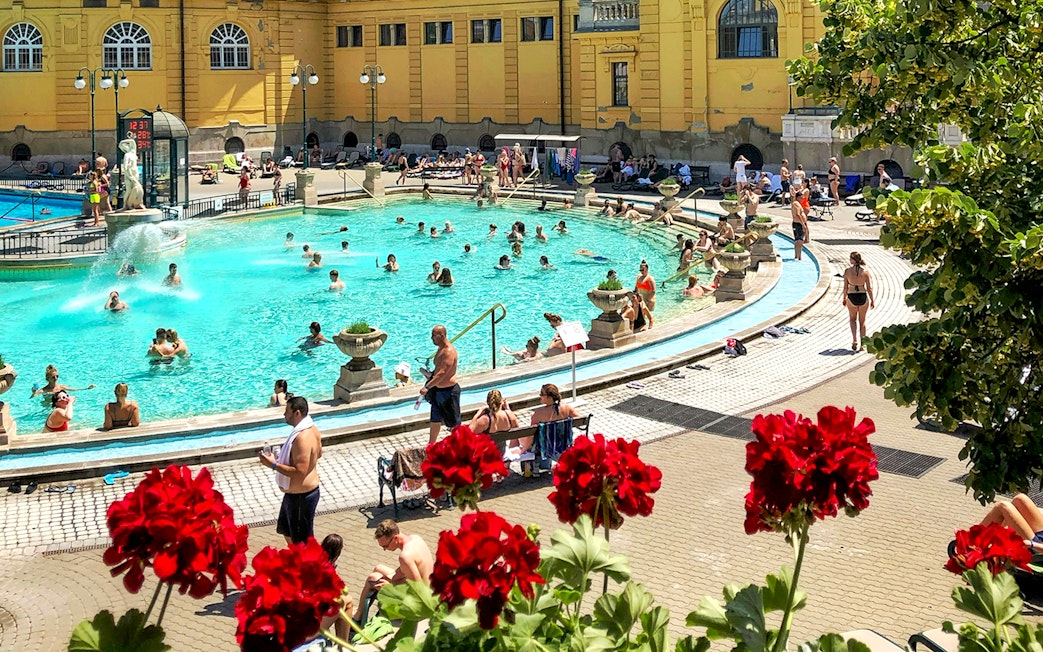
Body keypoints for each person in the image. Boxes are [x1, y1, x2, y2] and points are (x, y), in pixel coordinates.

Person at [259, 396, 323, 544]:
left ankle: (310, 566)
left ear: (297, 413)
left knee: (302, 544)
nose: (284, 414)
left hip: (302, 497)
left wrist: (273, 465)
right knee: (286, 531)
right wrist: (287, 458)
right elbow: (319, 453)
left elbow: (300, 472)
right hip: (296, 496)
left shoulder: (302, 437)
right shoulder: (313, 429)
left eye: (287, 411)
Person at [353, 519, 434, 622]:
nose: (384, 549)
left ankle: (358, 617)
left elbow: (417, 590)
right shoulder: (415, 538)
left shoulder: (405, 556)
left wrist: (388, 587)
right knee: (379, 568)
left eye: (385, 546)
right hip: (431, 588)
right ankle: (359, 612)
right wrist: (392, 578)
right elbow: (409, 569)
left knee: (372, 578)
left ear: (395, 538)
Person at [510, 383, 579, 458]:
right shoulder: (567, 408)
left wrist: (522, 450)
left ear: (549, 397)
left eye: (542, 394)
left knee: (515, 435)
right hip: (563, 444)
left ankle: (506, 464)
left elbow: (531, 436)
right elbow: (580, 419)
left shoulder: (538, 413)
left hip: (543, 447)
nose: (540, 396)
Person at [419, 325, 460, 443]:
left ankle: (459, 447)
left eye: (434, 336)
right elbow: (438, 370)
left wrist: (427, 386)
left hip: (449, 392)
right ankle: (431, 445)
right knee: (435, 419)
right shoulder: (440, 348)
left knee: (453, 424)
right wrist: (430, 374)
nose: (431, 338)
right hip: (438, 391)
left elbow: (443, 373)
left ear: (441, 336)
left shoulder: (448, 351)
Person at [976, 494, 1043, 547]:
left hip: (1038, 548)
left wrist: (1033, 545)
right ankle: (994, 539)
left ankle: (971, 544)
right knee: (1020, 499)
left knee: (1003, 506)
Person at [842, 252, 875, 351]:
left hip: (851, 297)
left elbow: (845, 288)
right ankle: (863, 345)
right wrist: (872, 300)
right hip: (863, 296)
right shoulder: (865, 272)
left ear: (853, 260)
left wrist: (844, 298)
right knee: (862, 321)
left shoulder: (847, 271)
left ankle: (854, 339)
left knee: (852, 320)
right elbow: (869, 288)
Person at [791, 189, 810, 261]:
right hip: (798, 224)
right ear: (798, 197)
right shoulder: (796, 204)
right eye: (801, 198)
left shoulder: (796, 203)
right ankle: (799, 257)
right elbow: (798, 215)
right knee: (799, 241)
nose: (802, 199)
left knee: (797, 240)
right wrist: (803, 224)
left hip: (798, 223)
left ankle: (797, 255)